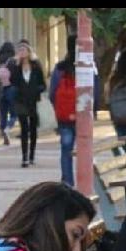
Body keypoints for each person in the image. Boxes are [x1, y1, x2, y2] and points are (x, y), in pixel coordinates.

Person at [8, 40, 45, 168]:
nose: (22, 53)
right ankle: (24, 157)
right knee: (24, 128)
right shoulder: (16, 67)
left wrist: (36, 89)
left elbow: (43, 84)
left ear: (29, 52)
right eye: (20, 51)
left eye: (24, 50)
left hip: (33, 101)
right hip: (21, 101)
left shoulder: (36, 66)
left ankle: (32, 155)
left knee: (33, 128)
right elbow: (12, 81)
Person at [50, 35, 77, 184]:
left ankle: (67, 182)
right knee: (85, 150)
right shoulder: (87, 65)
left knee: (66, 150)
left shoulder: (60, 67)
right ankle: (85, 180)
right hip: (83, 116)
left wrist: (59, 109)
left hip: (64, 117)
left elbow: (52, 93)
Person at [0, 42, 18, 146]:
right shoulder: (12, 61)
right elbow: (15, 77)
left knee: (3, 113)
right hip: (11, 88)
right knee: (14, 114)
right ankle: (7, 128)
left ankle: (3, 130)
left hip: (1, 89)